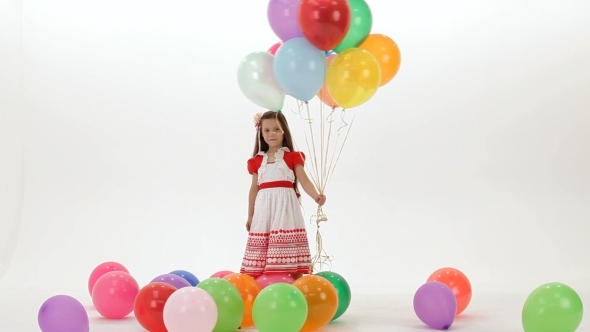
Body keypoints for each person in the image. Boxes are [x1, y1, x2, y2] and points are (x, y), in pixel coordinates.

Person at [239, 110, 326, 280]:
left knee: (286, 245)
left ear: (284, 131)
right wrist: (250, 215)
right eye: (267, 130)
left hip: (285, 209)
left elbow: (304, 180)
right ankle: (263, 285)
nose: (272, 133)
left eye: (277, 129)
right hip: (264, 210)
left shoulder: (292, 157)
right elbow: (254, 189)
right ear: (260, 132)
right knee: (264, 248)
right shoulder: (257, 160)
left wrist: (316, 196)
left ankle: (296, 283)